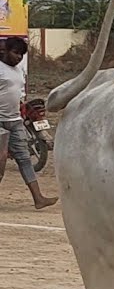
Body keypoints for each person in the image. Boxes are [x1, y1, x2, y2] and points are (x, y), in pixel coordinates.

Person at [0, 37, 58, 209]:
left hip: (14, 120)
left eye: (21, 54)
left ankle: (38, 198)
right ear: (6, 50)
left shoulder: (18, 71)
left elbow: (17, 94)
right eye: (16, 53)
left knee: (24, 158)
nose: (18, 57)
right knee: (1, 159)